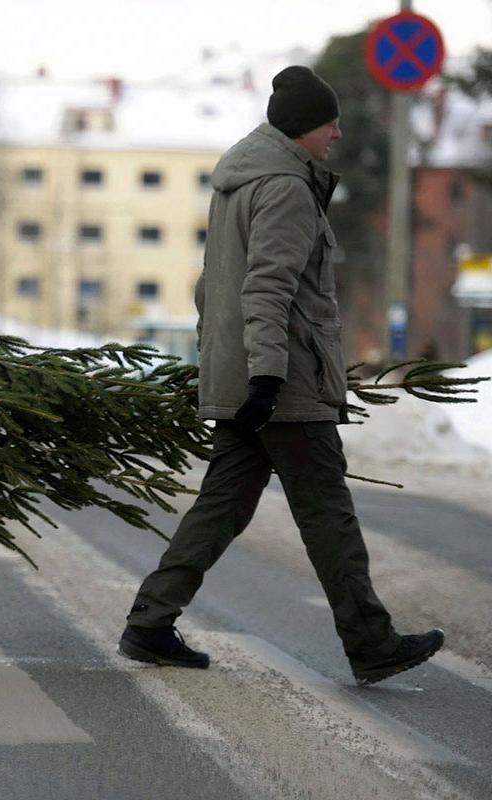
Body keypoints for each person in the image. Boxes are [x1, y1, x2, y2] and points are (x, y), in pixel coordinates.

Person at [117, 67, 444, 686]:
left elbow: (209, 286)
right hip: (283, 381)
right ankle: (372, 643)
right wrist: (267, 377)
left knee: (222, 504)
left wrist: (228, 367)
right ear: (303, 129)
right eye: (330, 123)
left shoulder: (238, 181)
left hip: (244, 371)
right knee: (328, 514)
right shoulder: (288, 188)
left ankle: (150, 622)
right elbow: (266, 287)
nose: (338, 134)